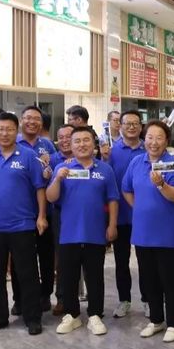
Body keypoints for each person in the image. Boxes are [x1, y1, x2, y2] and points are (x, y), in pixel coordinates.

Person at [0, 112, 48, 335]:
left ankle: (32, 317)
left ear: (17, 131)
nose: (4, 133)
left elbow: (39, 188)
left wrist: (41, 216)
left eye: (9, 129)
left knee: (27, 273)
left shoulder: (29, 156)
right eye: (1, 129)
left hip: (23, 226)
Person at [47, 126, 118, 336]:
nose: (81, 144)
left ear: (93, 143)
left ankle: (95, 314)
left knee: (95, 276)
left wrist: (112, 225)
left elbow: (113, 199)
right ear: (70, 145)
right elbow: (51, 197)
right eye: (77, 141)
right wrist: (57, 179)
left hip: (95, 233)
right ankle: (72, 315)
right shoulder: (63, 168)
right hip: (69, 233)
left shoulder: (105, 169)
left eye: (86, 140)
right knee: (68, 276)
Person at [123, 120, 174, 343]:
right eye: (150, 137)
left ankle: (173, 324)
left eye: (159, 138)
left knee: (170, 280)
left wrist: (161, 185)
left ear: (166, 141)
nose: (153, 142)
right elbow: (126, 189)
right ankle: (156, 320)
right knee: (149, 280)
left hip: (167, 233)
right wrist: (139, 207)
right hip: (142, 232)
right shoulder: (136, 162)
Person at [12, 106, 57, 315]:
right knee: (19, 258)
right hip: (20, 212)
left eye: (36, 119)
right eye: (28, 118)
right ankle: (19, 299)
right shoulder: (12, 143)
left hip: (44, 211)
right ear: (21, 121)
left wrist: (49, 171)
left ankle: (45, 294)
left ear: (41, 123)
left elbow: (54, 172)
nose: (32, 122)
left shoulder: (47, 145)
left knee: (46, 256)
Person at [106, 110, 147, 319]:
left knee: (146, 261)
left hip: (144, 215)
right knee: (121, 261)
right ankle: (124, 300)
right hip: (120, 215)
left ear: (141, 127)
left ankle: (149, 300)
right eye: (127, 123)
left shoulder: (149, 148)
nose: (131, 127)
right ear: (119, 126)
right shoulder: (111, 151)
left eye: (135, 123)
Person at [48, 124, 75, 316]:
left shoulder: (89, 158)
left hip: (83, 214)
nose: (65, 140)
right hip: (59, 213)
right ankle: (62, 299)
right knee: (61, 257)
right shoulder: (52, 160)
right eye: (61, 137)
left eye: (69, 136)